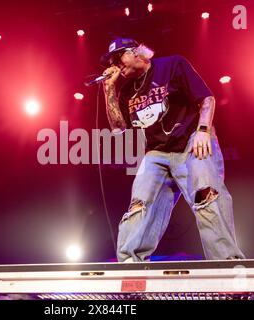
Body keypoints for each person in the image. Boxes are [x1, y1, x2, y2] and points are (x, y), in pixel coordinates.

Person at [100, 38, 245, 262]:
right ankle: (130, 264)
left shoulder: (172, 65)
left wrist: (203, 130)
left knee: (206, 195)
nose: (115, 65)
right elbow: (119, 129)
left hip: (190, 141)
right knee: (139, 204)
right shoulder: (127, 91)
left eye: (118, 58)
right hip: (156, 153)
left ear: (136, 52)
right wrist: (109, 89)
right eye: (111, 62)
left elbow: (206, 98)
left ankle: (226, 262)